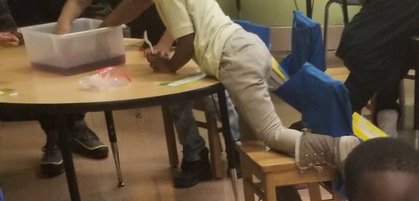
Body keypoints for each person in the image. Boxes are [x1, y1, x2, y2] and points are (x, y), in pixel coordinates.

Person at [56, 0, 356, 171]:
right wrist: (97, 32)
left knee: (271, 134)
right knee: (254, 140)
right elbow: (129, 9)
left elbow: (185, 42)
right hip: (249, 47)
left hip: (234, 58)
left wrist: (168, 65)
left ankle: (339, 149)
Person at [0, 0, 109, 177]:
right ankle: (54, 134)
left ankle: (76, 124)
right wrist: (5, 24)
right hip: (25, 13)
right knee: (39, 71)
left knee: (76, 62)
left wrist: (102, 23)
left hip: (70, 11)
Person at [337, 0, 419, 131]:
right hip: (372, 50)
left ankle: (385, 118)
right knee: (341, 112)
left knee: (352, 103)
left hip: (370, 42)